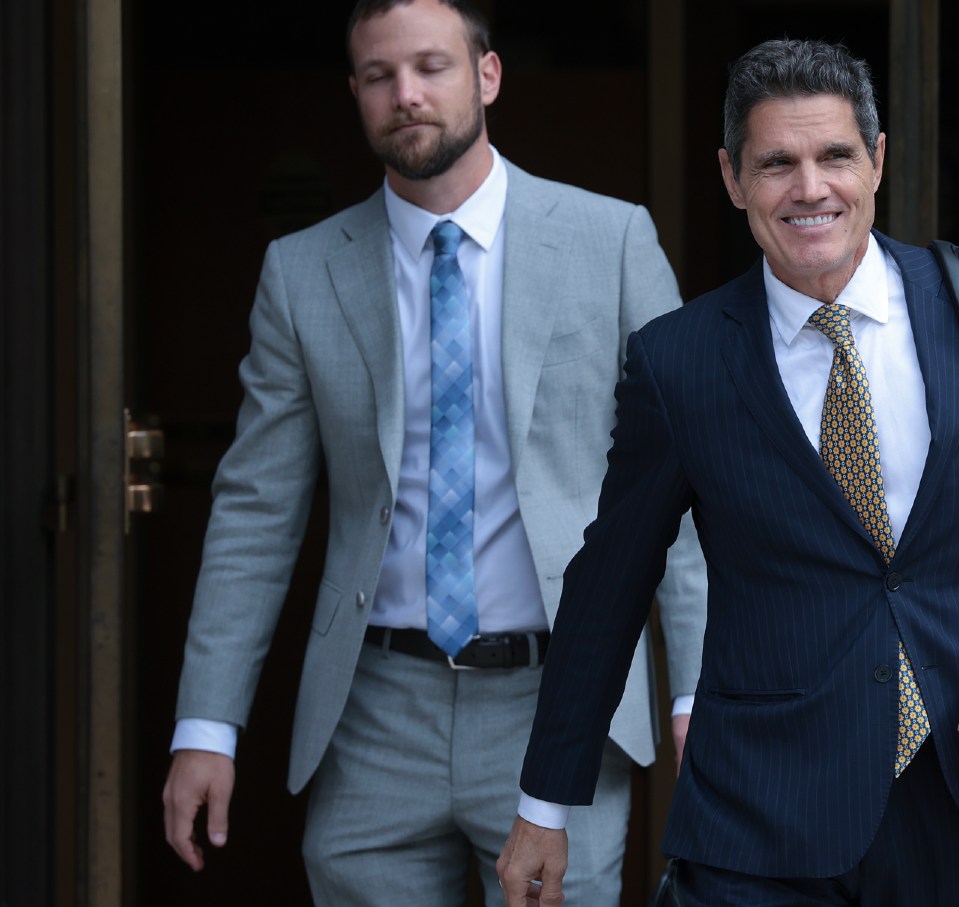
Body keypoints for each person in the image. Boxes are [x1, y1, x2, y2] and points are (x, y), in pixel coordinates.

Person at [498, 37, 959, 905]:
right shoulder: (678, 363)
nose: (810, 188)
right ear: (731, 178)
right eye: (776, 163)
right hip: (759, 823)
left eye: (835, 155)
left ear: (876, 161)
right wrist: (545, 804)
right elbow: (608, 586)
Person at [160, 1, 707, 904]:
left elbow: (680, 483)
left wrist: (696, 690)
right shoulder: (302, 273)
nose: (405, 94)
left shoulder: (610, 242)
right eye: (379, 76)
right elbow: (256, 510)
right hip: (373, 709)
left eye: (430, 67)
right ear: (355, 93)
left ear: (486, 76)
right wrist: (207, 725)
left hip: (561, 698)